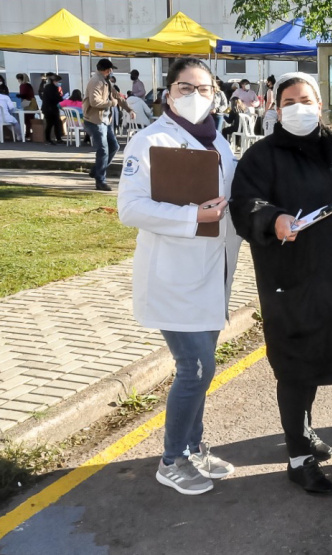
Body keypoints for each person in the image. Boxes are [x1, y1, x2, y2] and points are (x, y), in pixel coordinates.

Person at [230, 72, 332, 495]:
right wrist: (274, 219)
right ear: (276, 108)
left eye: (306, 99)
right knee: (295, 362)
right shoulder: (261, 157)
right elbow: (246, 204)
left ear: (321, 106)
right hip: (291, 275)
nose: (298, 107)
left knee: (320, 358)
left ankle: (304, 429)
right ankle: (298, 455)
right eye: (289, 101)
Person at [118, 57, 242, 496]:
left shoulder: (218, 143)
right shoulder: (149, 142)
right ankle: (171, 459)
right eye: (185, 88)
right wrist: (193, 215)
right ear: (168, 93)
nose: (195, 96)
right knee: (194, 367)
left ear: (216, 96)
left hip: (213, 275)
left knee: (204, 370)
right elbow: (129, 208)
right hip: (173, 276)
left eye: (204, 89)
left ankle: (192, 446)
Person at [84, 59, 135, 191]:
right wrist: (111, 104)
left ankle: (96, 171)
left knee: (114, 146)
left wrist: (129, 109)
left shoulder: (105, 81)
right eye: (110, 69)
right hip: (95, 121)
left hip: (105, 121)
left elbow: (118, 97)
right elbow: (95, 102)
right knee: (103, 150)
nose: (111, 71)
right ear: (106, 70)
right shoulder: (96, 81)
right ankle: (100, 181)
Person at [40, 73, 64, 145]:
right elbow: (54, 98)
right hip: (50, 109)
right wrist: (61, 99)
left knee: (56, 123)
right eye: (58, 81)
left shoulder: (50, 87)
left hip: (51, 108)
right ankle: (49, 139)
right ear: (54, 81)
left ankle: (58, 138)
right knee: (50, 124)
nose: (59, 83)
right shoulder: (51, 88)